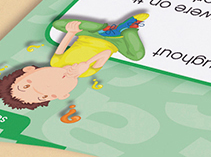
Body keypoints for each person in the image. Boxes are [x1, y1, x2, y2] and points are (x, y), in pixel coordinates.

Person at [0, 12, 149, 112]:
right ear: (61, 95)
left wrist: (71, 32)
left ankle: (106, 29)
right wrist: (87, 64)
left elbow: (64, 44)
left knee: (59, 25)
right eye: (44, 96)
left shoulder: (56, 62)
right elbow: (106, 53)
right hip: (113, 43)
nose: (45, 88)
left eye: (26, 85)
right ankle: (128, 30)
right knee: (136, 55)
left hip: (89, 35)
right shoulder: (86, 73)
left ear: (29, 69)